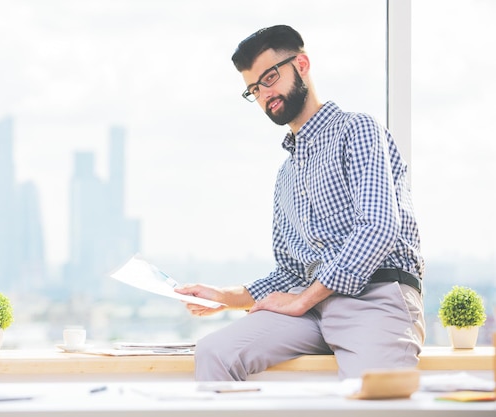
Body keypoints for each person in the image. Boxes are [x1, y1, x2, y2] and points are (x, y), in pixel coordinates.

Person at [174, 24, 426, 381]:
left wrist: (302, 299)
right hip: (311, 311)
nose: (265, 94)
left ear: (302, 65)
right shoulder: (286, 175)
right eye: (254, 89)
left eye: (270, 77)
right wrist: (225, 297)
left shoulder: (357, 130)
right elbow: (291, 270)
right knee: (215, 352)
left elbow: (378, 227)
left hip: (375, 298)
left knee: (371, 403)